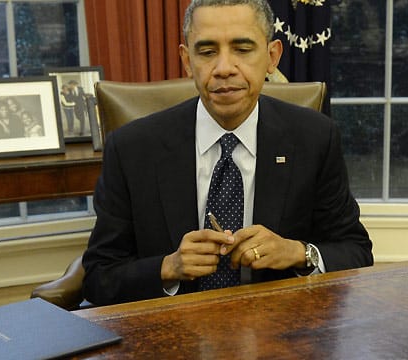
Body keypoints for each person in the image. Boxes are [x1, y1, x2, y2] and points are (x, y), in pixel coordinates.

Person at [82, 0, 373, 306]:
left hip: (279, 332)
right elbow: (98, 277)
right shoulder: (131, 149)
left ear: (272, 56)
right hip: (174, 332)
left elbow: (356, 251)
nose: (223, 69)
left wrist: (298, 253)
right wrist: (169, 267)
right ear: (186, 60)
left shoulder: (314, 138)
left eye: (242, 49)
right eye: (207, 52)